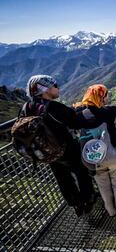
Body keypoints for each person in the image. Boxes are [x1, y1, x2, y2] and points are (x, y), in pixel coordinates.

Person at [22, 75, 97, 216]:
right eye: (55, 85)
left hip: (45, 151)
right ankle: (88, 199)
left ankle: (76, 203)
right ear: (45, 89)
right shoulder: (54, 107)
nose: (58, 88)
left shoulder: (28, 106)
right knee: (81, 171)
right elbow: (76, 122)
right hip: (65, 148)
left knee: (62, 177)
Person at [74, 84, 116, 217]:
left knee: (103, 186)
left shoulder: (78, 115)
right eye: (106, 95)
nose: (108, 97)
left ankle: (111, 212)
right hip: (114, 155)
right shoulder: (107, 111)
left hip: (93, 159)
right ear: (101, 97)